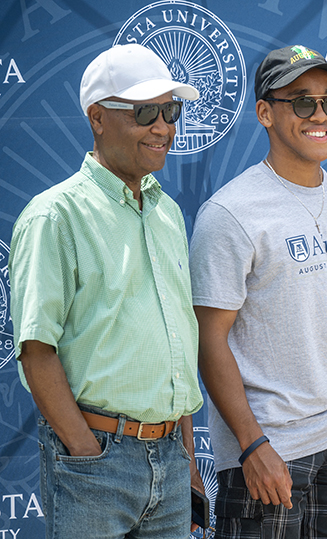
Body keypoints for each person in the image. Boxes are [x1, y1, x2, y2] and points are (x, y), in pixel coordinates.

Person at [9, 43, 205, 538]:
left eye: (170, 110)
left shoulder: (167, 212)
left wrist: (185, 455)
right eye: (144, 112)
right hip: (96, 461)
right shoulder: (54, 216)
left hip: (171, 458)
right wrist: (86, 451)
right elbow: (36, 352)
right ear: (98, 117)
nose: (163, 126)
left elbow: (175, 345)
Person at [189, 44, 327, 539]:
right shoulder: (230, 213)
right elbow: (209, 342)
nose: (320, 115)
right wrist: (252, 447)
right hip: (268, 452)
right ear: (264, 113)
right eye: (301, 101)